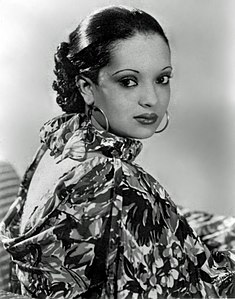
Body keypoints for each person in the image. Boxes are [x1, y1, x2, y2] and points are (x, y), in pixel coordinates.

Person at [0, 5, 235, 298]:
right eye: (128, 81)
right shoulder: (117, 179)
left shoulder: (60, 141)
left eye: (162, 78)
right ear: (87, 87)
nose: (152, 99)